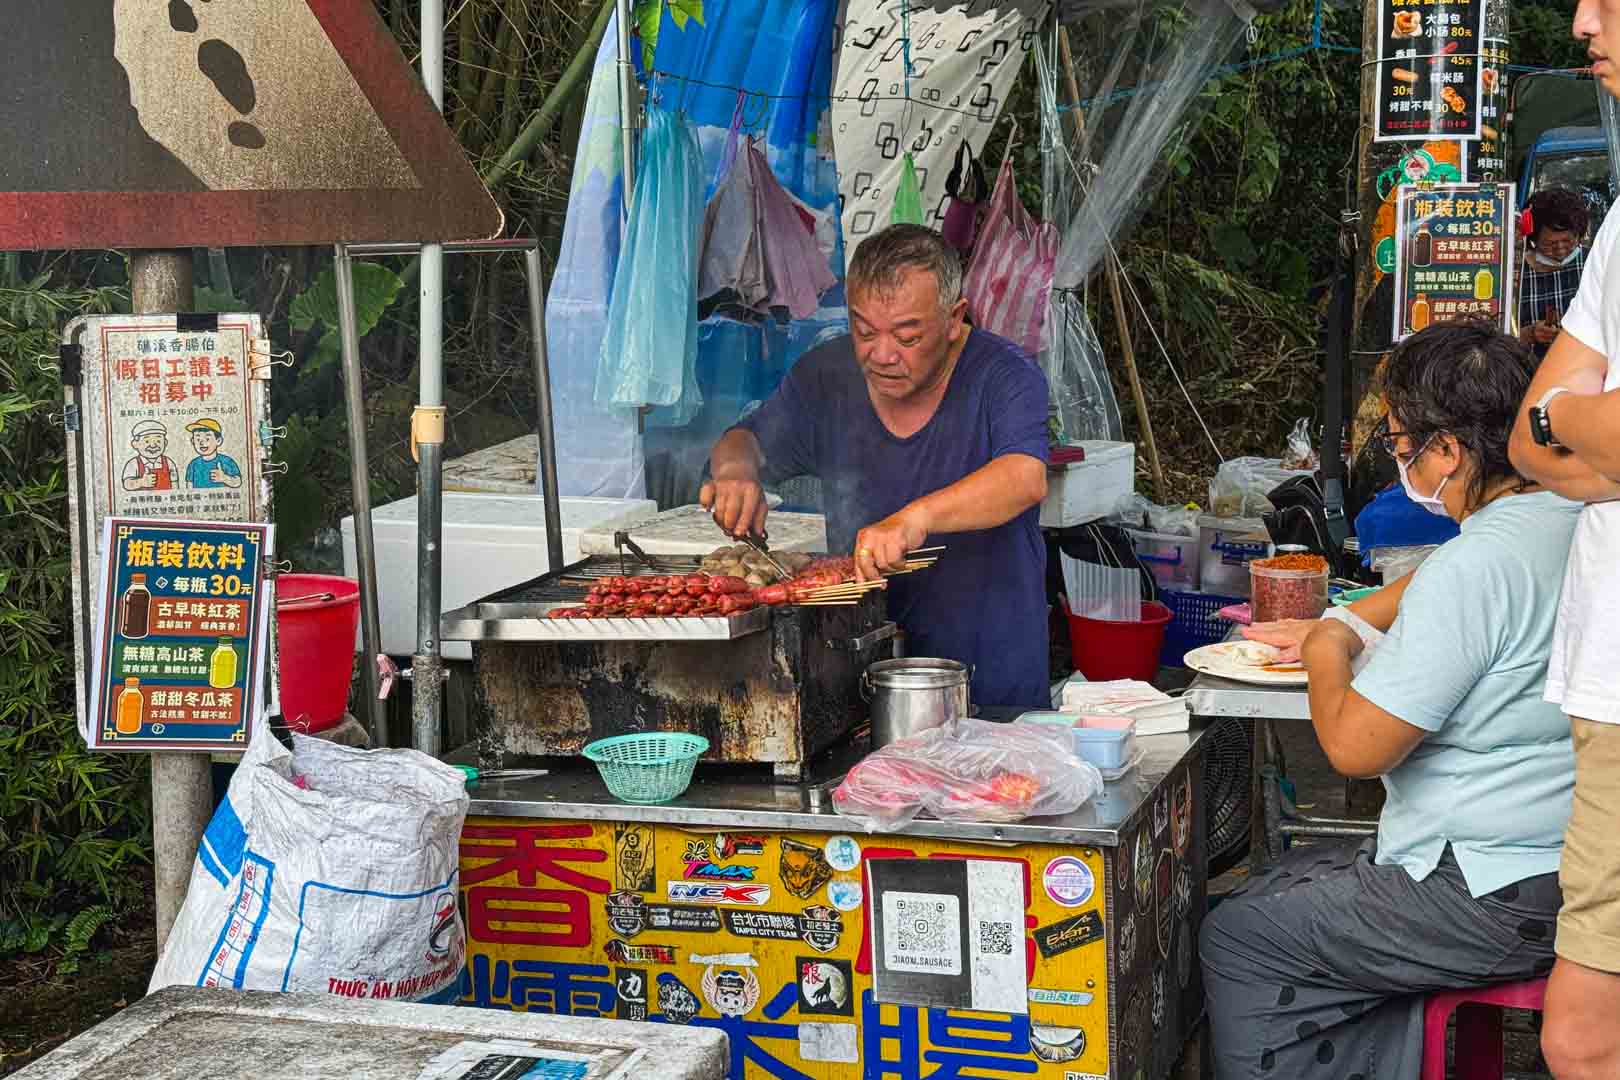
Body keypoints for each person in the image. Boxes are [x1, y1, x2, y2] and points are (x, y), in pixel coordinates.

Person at [1204, 321, 1579, 1080]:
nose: (1402, 463)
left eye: (1406, 447)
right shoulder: (1572, 519)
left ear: (1449, 451)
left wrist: (1322, 652)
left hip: (1493, 890)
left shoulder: (1475, 566)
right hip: (1573, 866)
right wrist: (1338, 617)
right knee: (1295, 877)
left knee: (1240, 932)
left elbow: (1354, 748)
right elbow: (1436, 578)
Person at [699, 224, 1050, 708]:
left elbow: (1024, 476)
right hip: (858, 679)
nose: (882, 355)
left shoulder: (1005, 376)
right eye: (864, 331)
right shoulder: (825, 378)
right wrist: (736, 472)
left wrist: (913, 519)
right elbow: (745, 440)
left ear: (953, 319)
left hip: (988, 682)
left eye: (907, 336)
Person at [1508, 7, 1620, 1076]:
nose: (1583, 18)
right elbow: (1527, 436)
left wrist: (1575, 416)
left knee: (1584, 1038)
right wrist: (1578, 420)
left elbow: (1560, 423)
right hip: (1606, 690)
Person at [1517, 187, 1591, 357]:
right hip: (1530, 370)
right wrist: (1530, 334)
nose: (1560, 250)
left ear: (1579, 234)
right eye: (1549, 244)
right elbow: (1499, 332)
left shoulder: (1592, 263)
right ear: (1533, 239)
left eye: (1568, 240)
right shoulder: (1518, 272)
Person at [184, 417, 243, 490]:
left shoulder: (227, 461)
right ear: (192, 441)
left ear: (218, 441)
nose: (202, 443)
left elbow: (238, 482)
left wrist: (225, 478)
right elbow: (189, 486)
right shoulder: (193, 464)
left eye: (207, 439)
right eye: (198, 439)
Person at [120, 419, 179, 491]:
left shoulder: (169, 463)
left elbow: (174, 483)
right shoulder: (133, 463)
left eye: (158, 441)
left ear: (165, 442)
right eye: (147, 441)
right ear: (135, 444)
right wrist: (140, 482)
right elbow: (126, 484)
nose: (153, 445)